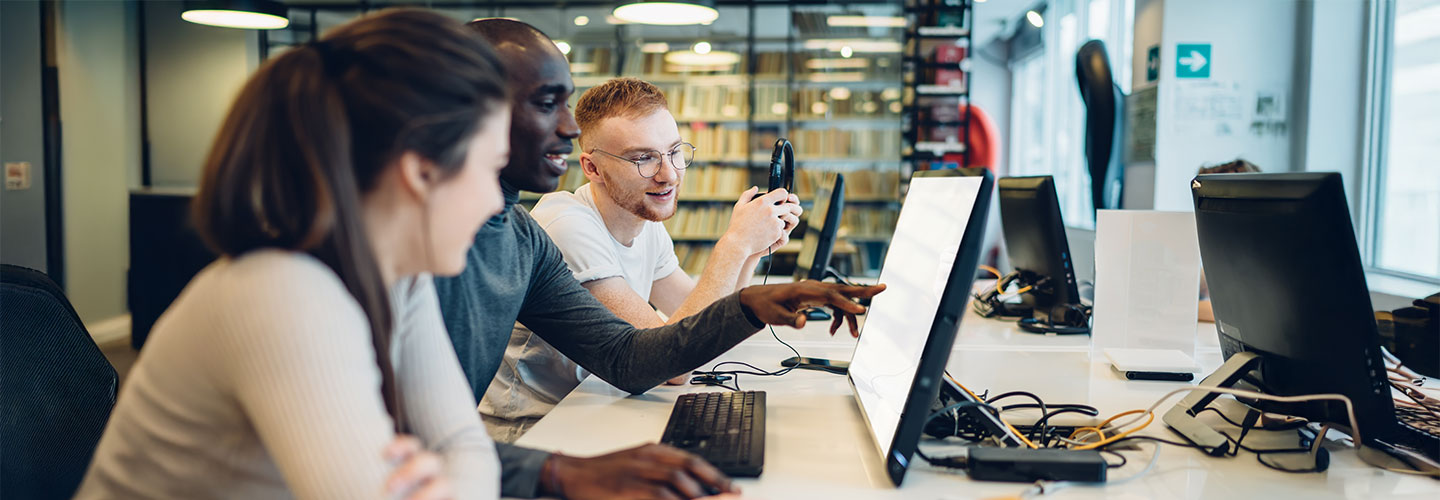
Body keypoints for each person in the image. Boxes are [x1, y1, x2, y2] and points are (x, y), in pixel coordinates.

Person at [434, 19, 884, 500]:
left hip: (533, 442)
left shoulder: (521, 236)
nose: (568, 129)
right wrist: (732, 248)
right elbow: (406, 440)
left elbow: (632, 356)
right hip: (520, 443)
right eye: (548, 105)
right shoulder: (532, 228)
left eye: (674, 152)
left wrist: (751, 291)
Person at [77, 10, 511, 499]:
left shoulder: (401, 279)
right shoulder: (280, 292)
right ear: (422, 172)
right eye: (493, 168)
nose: (498, 200)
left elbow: (465, 447)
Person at [478, 77, 805, 442]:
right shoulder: (567, 225)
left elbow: (707, 326)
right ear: (592, 168)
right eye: (643, 158)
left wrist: (751, 251)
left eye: (674, 152)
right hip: (535, 431)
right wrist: (732, 245)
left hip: (598, 407)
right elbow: (668, 366)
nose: (669, 175)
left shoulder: (643, 220)